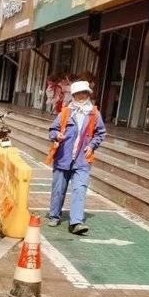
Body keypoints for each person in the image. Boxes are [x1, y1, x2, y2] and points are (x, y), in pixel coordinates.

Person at [46, 80, 106, 235]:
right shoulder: (65, 112)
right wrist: (56, 135)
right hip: (63, 157)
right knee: (59, 188)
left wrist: (92, 145)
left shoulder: (94, 113)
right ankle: (54, 215)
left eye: (84, 94)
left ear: (88, 95)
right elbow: (53, 129)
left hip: (82, 159)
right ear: (73, 95)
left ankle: (76, 222)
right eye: (78, 94)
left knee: (79, 189)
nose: (81, 97)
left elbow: (100, 133)